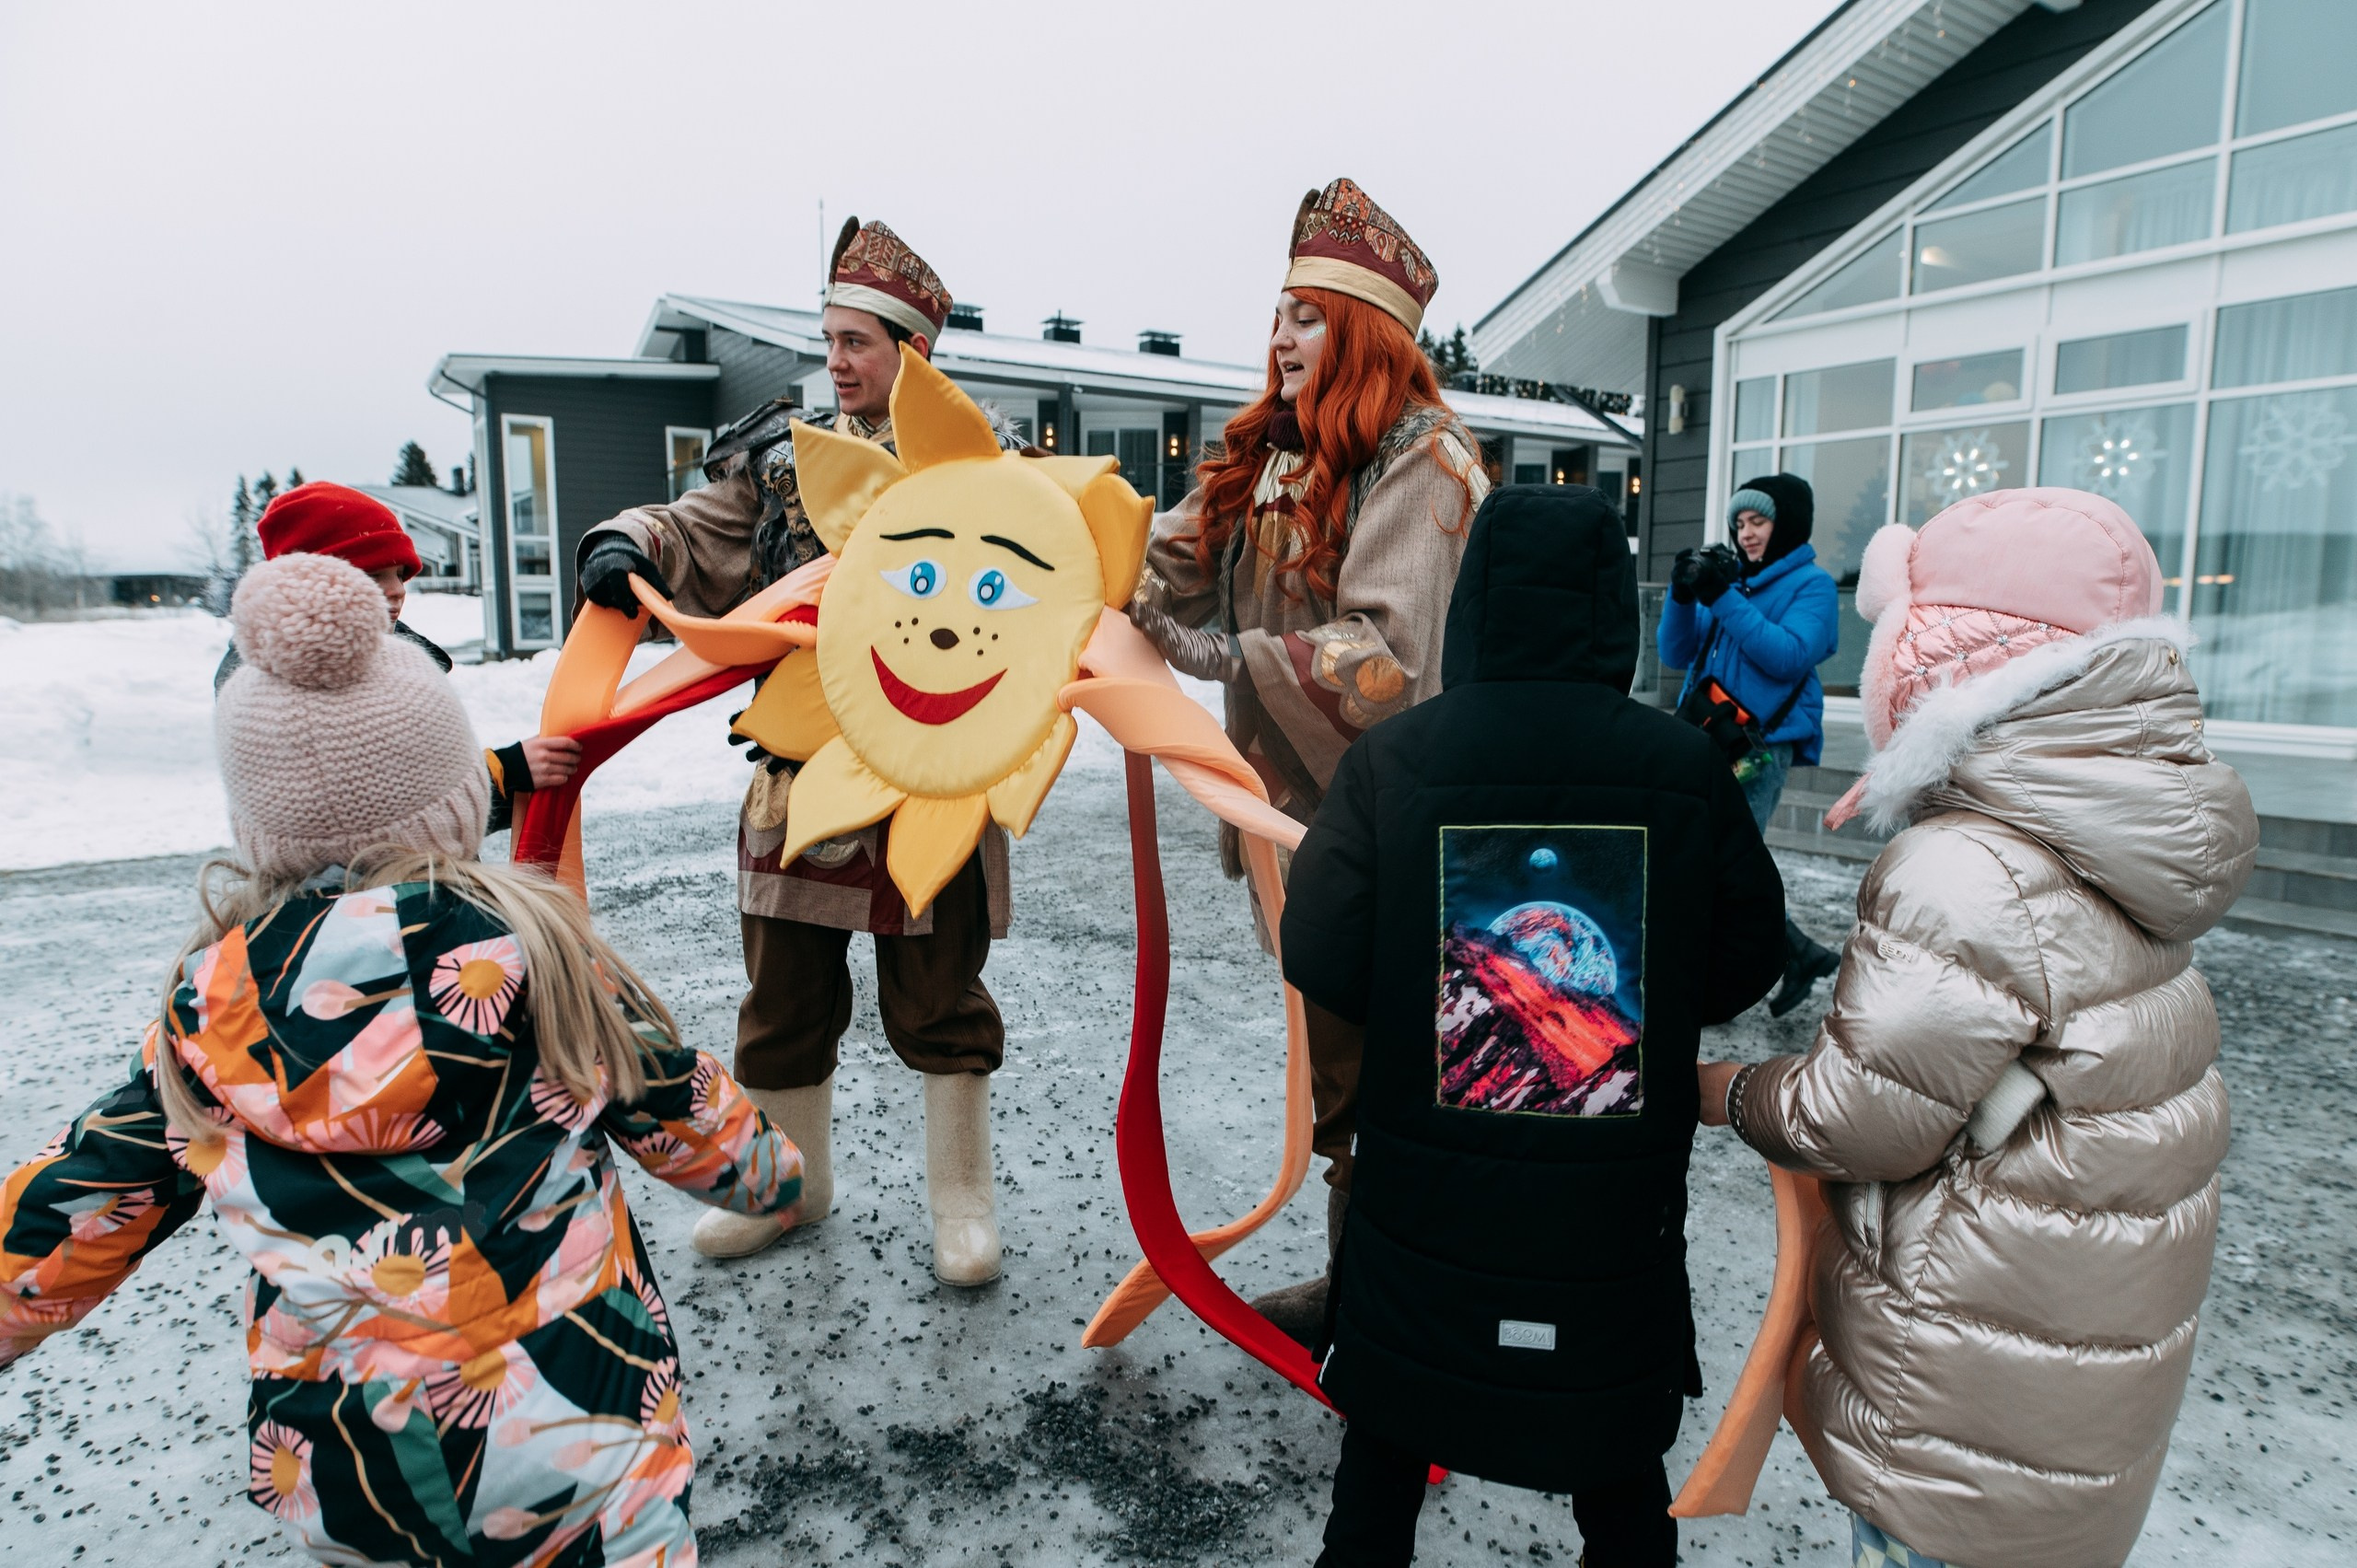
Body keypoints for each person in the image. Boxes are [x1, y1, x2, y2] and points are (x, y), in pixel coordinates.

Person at [0, 553, 803, 1564]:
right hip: (577, 1430)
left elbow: (94, 1186)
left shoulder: (210, 1009)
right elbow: (674, 1103)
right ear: (458, 799)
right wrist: (768, 1174)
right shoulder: (544, 959)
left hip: (347, 1462)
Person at [1699, 489, 2258, 1568]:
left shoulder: (1970, 866)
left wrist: (1720, 1087)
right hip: (2072, 1393)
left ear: (1935, 665)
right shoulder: (2121, 836)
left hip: (1967, 1398)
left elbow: (1861, 1117)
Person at [1280, 483, 1788, 1567]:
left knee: (1382, 1459)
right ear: (1613, 604)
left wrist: (1426, 1016)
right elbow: (1748, 954)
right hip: (1613, 1206)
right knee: (1613, 1462)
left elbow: (1318, 949)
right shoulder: (1683, 767)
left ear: (1474, 605)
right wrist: (1641, 1014)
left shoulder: (1394, 760)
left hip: (1424, 1192)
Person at [575, 218, 1022, 1284]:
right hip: (795, 772)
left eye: (856, 341)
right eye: (826, 339)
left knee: (939, 993)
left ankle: (961, 1204)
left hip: (930, 779)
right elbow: (701, 525)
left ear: (910, 352)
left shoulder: (976, 468)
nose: (834, 360)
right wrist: (631, 542)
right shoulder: (776, 456)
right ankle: (790, 1187)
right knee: (782, 996)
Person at [1125, 177, 1490, 1340]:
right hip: (1305, 821)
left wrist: (1222, 654)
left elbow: (1388, 661)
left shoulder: (1427, 459)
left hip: (1397, 827)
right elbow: (1158, 558)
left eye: (1308, 315)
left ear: (1367, 336)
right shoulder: (1278, 453)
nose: (1279, 337)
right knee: (1347, 1068)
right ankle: (1366, 1291)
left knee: (1390, 1078)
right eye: (1277, 313)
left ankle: (1390, 1313)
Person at [212, 480, 581, 832]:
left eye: (400, 574)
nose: (397, 591)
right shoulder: (277, 681)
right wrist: (504, 773)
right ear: (309, 584)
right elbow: (367, 816)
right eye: (373, 576)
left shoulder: (392, 656)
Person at [1660, 473, 1840, 1016]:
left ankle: (1742, 971)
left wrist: (1723, 597)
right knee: (1711, 859)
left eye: (1758, 521)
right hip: (1709, 733)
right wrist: (1684, 594)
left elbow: (1787, 656)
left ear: (1785, 525)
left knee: (1726, 862)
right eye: (1739, 523)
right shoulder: (1736, 583)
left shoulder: (1813, 586)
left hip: (1758, 746)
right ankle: (1799, 954)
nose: (1746, 534)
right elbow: (1675, 651)